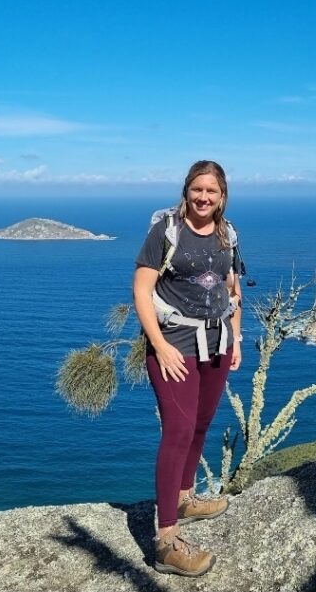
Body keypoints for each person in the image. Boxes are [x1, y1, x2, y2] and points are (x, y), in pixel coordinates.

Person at [133, 160, 244, 577]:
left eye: (211, 192)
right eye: (197, 190)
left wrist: (235, 336)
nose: (203, 198)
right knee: (178, 431)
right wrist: (158, 346)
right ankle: (165, 541)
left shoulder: (227, 234)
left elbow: (233, 288)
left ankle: (183, 496)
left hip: (215, 344)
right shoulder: (166, 231)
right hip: (175, 345)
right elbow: (142, 290)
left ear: (222, 195)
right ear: (187, 190)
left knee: (200, 424)